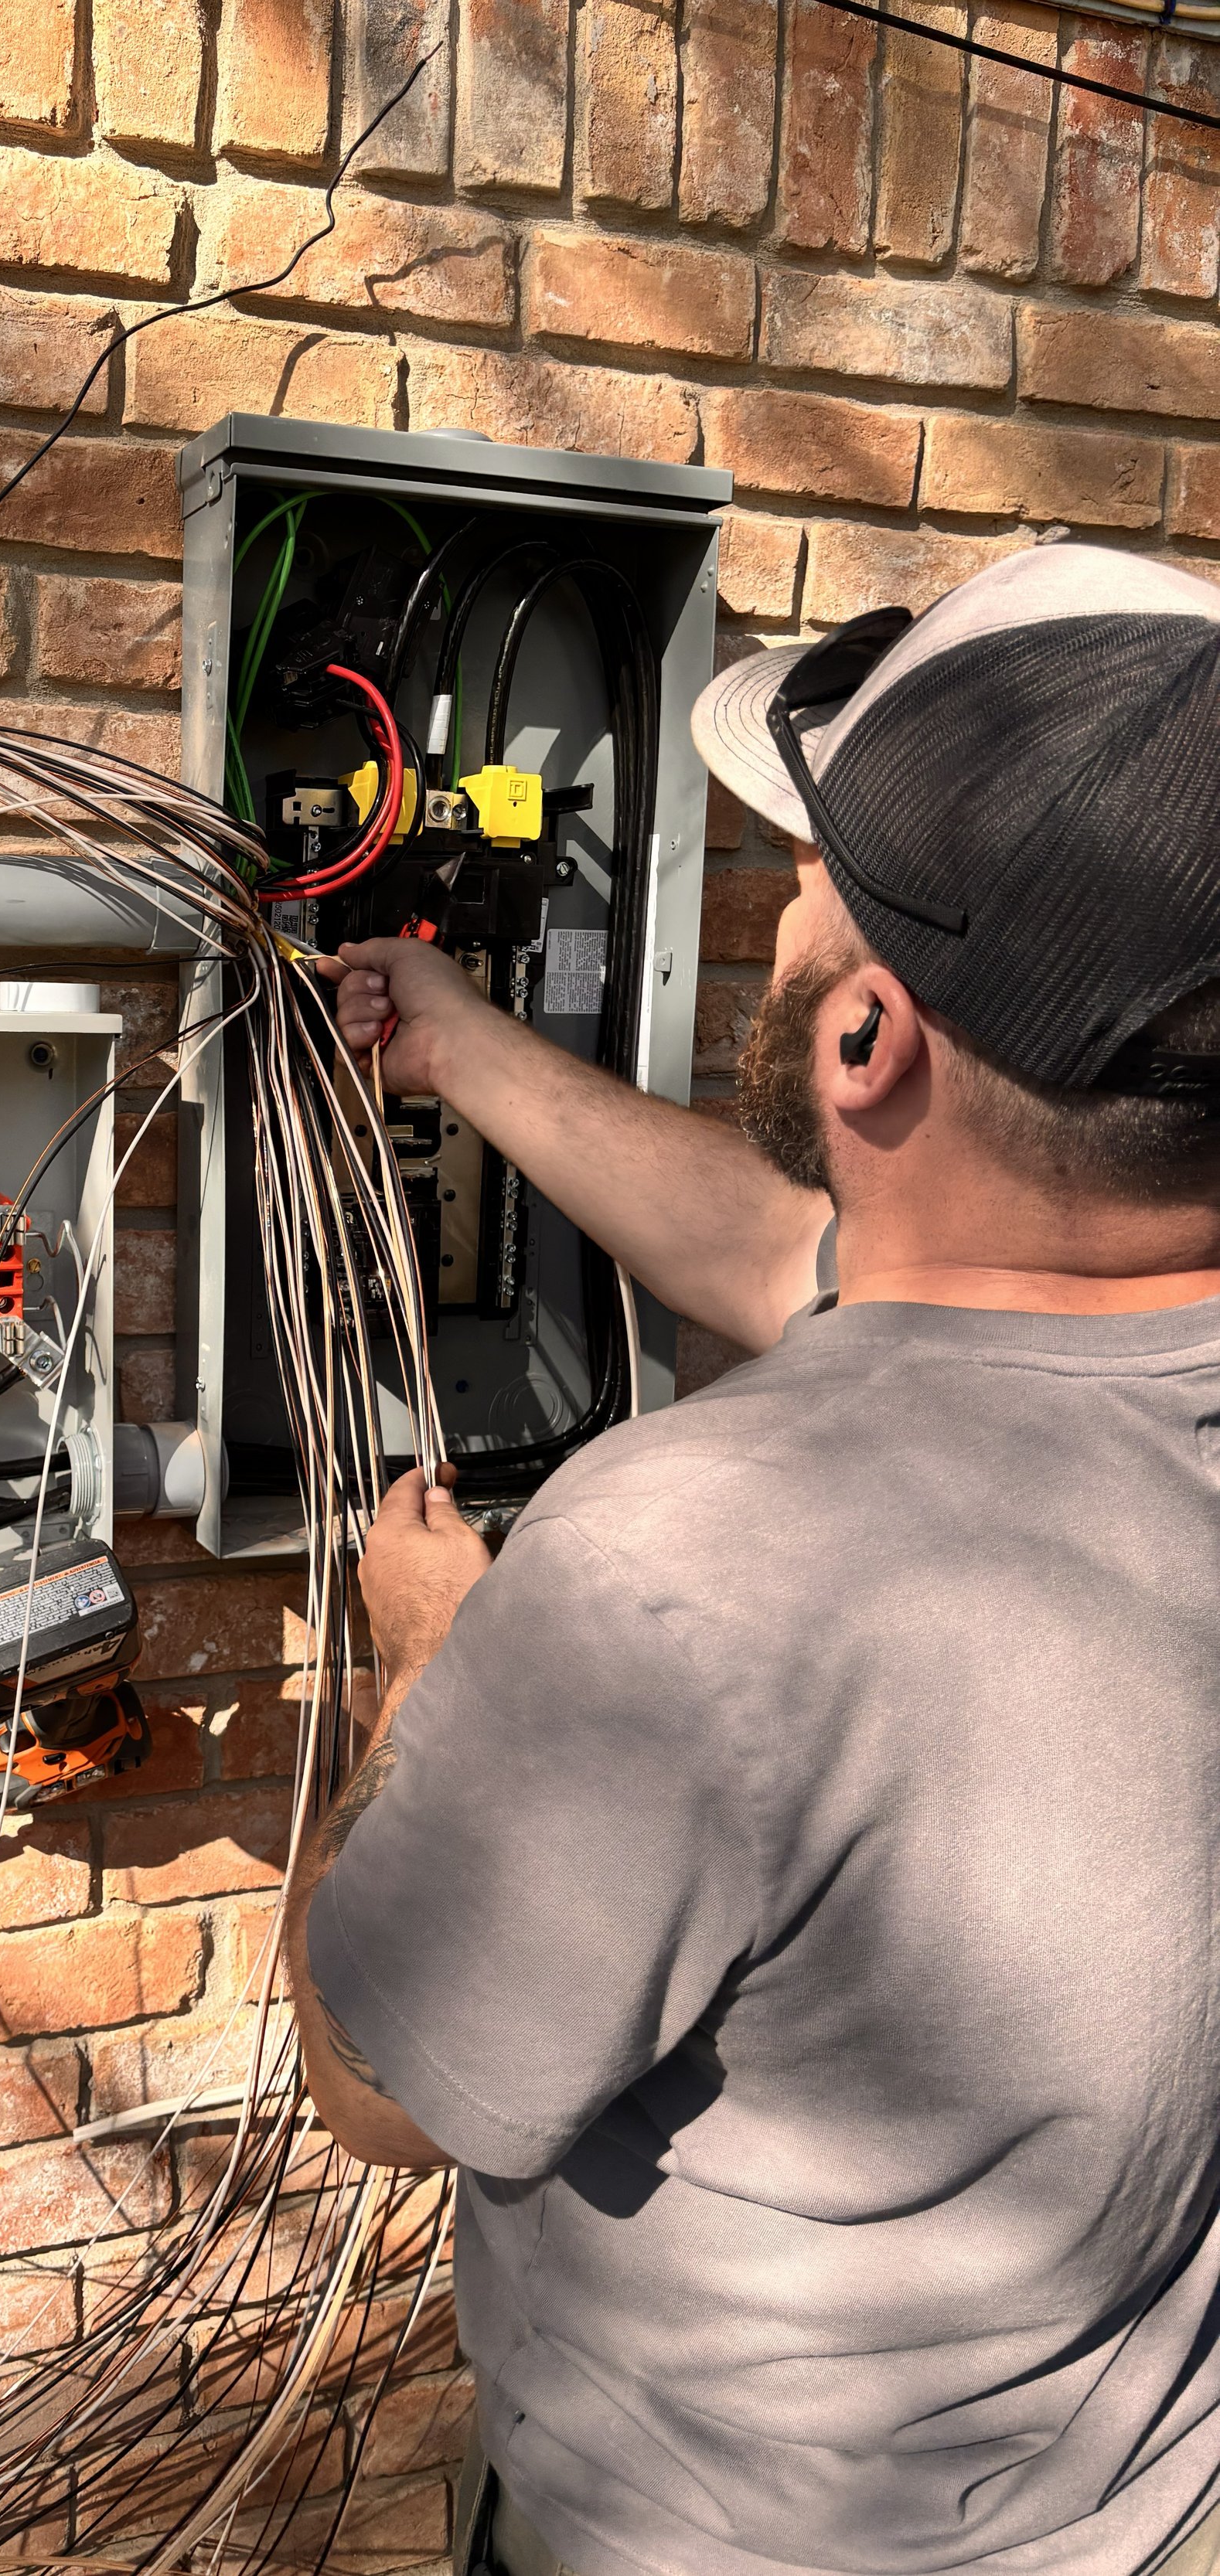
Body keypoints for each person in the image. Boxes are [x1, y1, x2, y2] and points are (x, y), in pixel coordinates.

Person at [281, 546, 1220, 2576]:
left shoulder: (695, 1553)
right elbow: (816, 1261)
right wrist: (452, 1048)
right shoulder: (1107, 1350)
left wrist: (416, 1682)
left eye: (798, 879)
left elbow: (384, 2086)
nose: (772, 905)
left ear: (864, 1033)